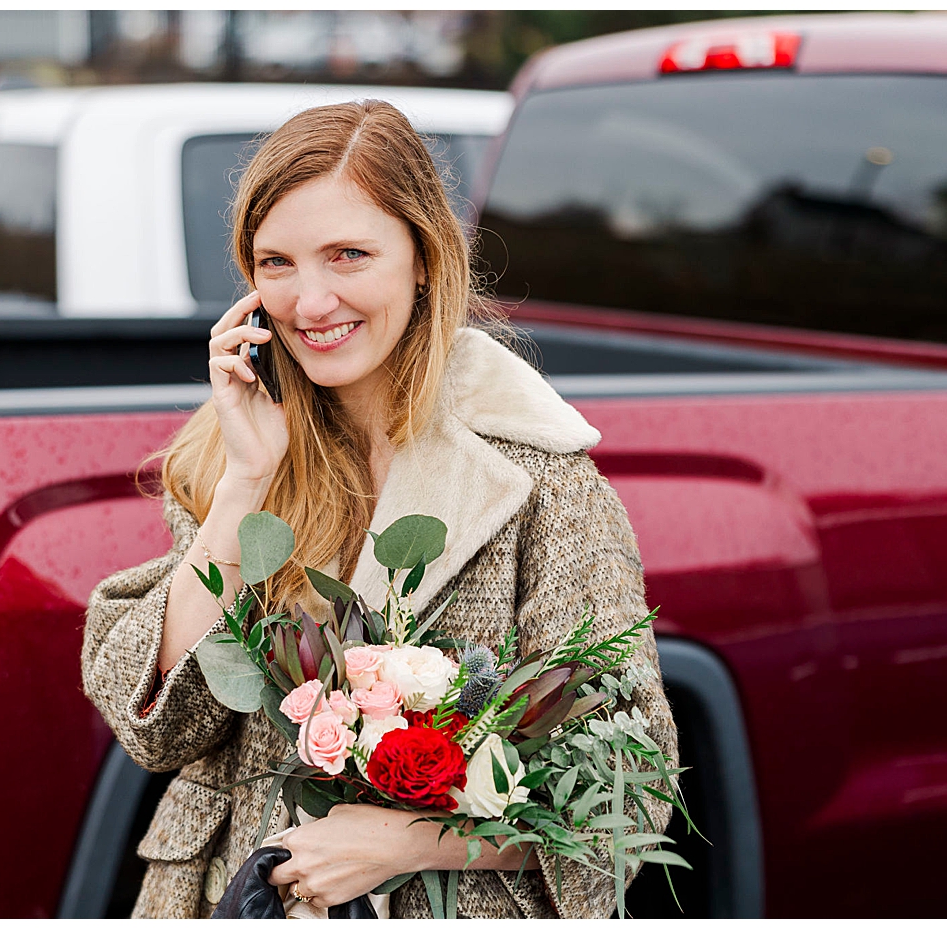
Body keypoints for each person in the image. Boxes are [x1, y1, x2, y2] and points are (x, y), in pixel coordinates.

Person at [81, 101, 678, 918]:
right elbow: (157, 729)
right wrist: (246, 485)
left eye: (348, 254)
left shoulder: (540, 480)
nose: (310, 301)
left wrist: (404, 841)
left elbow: (629, 786)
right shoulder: (235, 456)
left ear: (423, 258)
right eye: (277, 262)